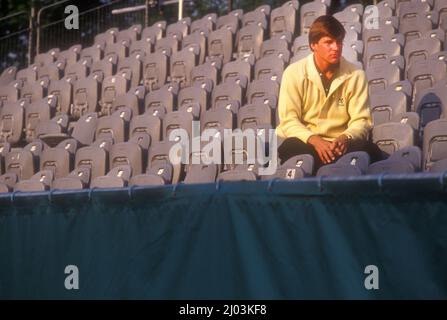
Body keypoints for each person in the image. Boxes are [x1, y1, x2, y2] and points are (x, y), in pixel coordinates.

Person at [276, 15, 382, 173]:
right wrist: (314, 140)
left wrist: (346, 137)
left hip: (340, 146)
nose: (336, 48)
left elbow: (361, 120)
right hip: (307, 143)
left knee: (369, 149)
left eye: (339, 42)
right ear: (313, 45)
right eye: (329, 42)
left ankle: (331, 169)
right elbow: (289, 121)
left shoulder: (356, 74)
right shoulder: (293, 73)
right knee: (290, 147)